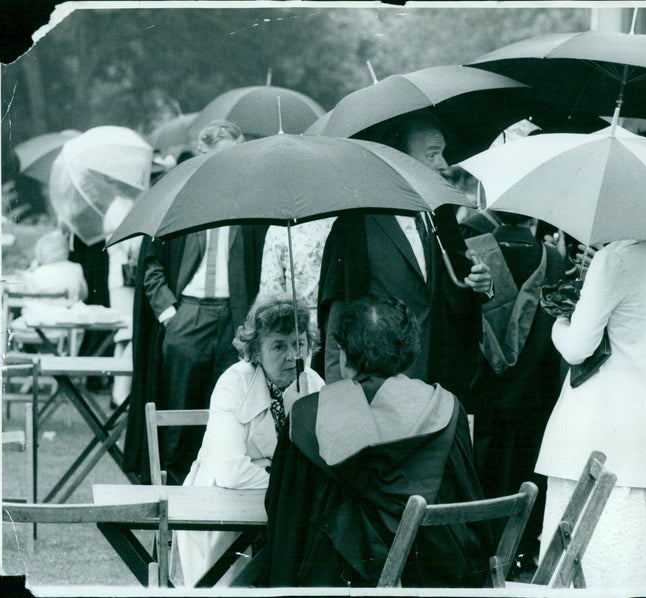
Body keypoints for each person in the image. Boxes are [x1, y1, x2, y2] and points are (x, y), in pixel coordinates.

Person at [255, 296, 494, 587]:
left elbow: (284, 520)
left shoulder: (309, 414)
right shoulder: (445, 407)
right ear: (408, 351)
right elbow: (468, 503)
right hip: (431, 577)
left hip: (333, 582)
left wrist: (302, 412)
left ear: (344, 355)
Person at [123, 120, 269, 484]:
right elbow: (150, 262)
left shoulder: (253, 199)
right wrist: (170, 313)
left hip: (236, 319)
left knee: (229, 417)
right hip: (188, 316)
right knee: (177, 416)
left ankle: (218, 499)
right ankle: (169, 500)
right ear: (202, 155)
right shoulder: (180, 198)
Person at [534, 238, 646, 587]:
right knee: (634, 559)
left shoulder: (611, 259)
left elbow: (577, 349)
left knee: (586, 558)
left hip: (597, 425)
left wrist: (561, 321)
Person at [317, 113, 493, 404]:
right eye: (433, 154)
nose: (443, 164)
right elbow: (338, 315)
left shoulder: (441, 213)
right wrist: (339, 398)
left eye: (443, 153)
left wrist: (481, 284)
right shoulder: (356, 224)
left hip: (438, 385)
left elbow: (457, 292)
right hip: (378, 390)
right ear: (400, 157)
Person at [170, 297, 324, 587]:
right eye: (279, 346)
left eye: (299, 343)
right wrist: (292, 486)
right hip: (225, 509)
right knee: (230, 582)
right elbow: (230, 471)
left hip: (282, 511)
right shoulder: (233, 383)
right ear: (255, 351)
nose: (293, 355)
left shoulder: (313, 384)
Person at [463, 212, 565, 576]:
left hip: (483, 394)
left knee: (483, 470)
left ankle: (482, 550)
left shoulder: (472, 252)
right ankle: (519, 552)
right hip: (536, 397)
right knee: (526, 469)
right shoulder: (553, 260)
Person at [257, 217, 335, 326]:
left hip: (303, 324)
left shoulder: (279, 229)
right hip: (301, 322)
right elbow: (271, 293)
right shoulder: (279, 230)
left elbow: (270, 294)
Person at [103, 196, 140, 409]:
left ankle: (119, 390)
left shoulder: (123, 204)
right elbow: (125, 242)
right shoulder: (120, 206)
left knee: (125, 335)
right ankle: (120, 393)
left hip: (123, 279)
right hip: (123, 279)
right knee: (129, 332)